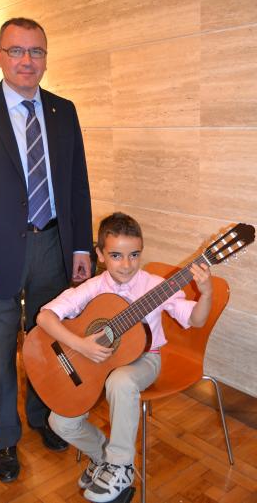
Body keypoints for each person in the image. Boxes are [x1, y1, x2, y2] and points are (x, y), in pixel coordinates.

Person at [0, 17, 93, 482]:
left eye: (36, 52)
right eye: (17, 51)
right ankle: (5, 440)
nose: (27, 60)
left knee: (47, 342)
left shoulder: (63, 111)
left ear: (46, 58)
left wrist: (79, 248)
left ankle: (44, 416)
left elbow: (76, 187)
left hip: (53, 242)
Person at [37, 212, 213, 502]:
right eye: (116, 255)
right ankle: (102, 456)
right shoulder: (94, 287)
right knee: (60, 423)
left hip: (145, 361)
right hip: (97, 363)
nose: (127, 264)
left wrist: (205, 294)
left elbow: (194, 319)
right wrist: (81, 345)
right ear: (101, 255)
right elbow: (45, 317)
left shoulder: (156, 286)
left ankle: (121, 467)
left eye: (134, 255)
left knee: (120, 381)